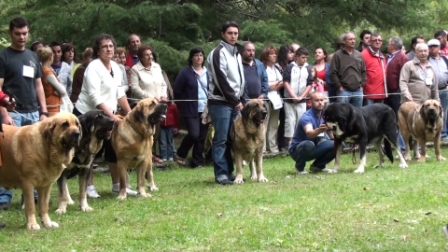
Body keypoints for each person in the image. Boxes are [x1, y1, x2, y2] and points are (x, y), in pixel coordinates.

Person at [74, 33, 136, 196]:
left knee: (113, 150)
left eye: (111, 46)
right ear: (97, 50)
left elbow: (119, 92)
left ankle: (118, 185)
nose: (109, 49)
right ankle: (89, 187)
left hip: (108, 115)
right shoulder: (93, 67)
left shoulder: (116, 67)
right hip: (88, 116)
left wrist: (129, 113)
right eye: (104, 46)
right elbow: (95, 97)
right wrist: (112, 117)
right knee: (90, 151)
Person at [0, 17, 49, 211]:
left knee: (36, 155)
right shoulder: (3, 57)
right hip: (13, 114)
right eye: (18, 33)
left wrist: (43, 111)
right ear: (10, 33)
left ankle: (32, 195)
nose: (22, 37)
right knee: (9, 156)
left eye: (25, 33)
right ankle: (4, 196)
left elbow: (39, 85)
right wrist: (4, 114)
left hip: (33, 113)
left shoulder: (32, 56)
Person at [207, 20, 245, 185]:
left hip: (234, 102)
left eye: (235, 33)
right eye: (230, 33)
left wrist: (241, 98)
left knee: (231, 139)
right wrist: (235, 100)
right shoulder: (218, 52)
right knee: (221, 139)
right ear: (223, 34)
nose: (233, 36)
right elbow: (221, 79)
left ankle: (229, 172)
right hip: (220, 102)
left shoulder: (236, 53)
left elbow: (239, 79)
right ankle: (221, 174)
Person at [174, 47, 210, 168]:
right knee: (194, 134)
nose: (199, 57)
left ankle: (197, 161)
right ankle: (181, 153)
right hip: (190, 109)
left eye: (201, 55)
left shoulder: (208, 72)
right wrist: (182, 105)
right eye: (196, 55)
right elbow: (177, 91)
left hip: (205, 109)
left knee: (201, 137)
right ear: (191, 58)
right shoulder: (185, 73)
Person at [289, 91, 335, 174]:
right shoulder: (306, 116)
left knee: (338, 144)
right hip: (297, 150)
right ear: (310, 102)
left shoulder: (325, 115)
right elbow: (309, 133)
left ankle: (318, 166)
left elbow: (331, 135)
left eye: (322, 100)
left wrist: (339, 137)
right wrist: (320, 130)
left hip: (315, 147)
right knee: (308, 144)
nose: (320, 103)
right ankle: (299, 168)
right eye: (317, 100)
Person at [282, 47, 313, 145]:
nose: (305, 60)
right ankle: (290, 143)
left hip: (302, 99)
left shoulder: (308, 68)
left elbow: (309, 84)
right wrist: (293, 96)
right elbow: (285, 82)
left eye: (306, 58)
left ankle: (300, 141)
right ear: (297, 57)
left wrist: (301, 97)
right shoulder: (289, 67)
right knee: (290, 120)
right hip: (289, 99)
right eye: (303, 57)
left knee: (301, 120)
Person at [330, 31, 366, 108]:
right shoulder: (337, 55)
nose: (353, 41)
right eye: (350, 39)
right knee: (342, 115)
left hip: (358, 91)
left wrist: (362, 86)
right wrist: (339, 87)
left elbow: (363, 71)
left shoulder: (359, 54)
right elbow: (333, 73)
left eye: (354, 39)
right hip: (344, 91)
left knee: (357, 115)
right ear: (344, 41)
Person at [260, 46, 283, 155]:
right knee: (264, 124)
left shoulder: (276, 68)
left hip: (276, 98)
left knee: (274, 124)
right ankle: (263, 149)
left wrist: (276, 85)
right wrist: (271, 86)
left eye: (275, 54)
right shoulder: (261, 68)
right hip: (266, 99)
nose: (275, 56)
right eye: (272, 54)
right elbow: (262, 84)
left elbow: (281, 82)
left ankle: (273, 148)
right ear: (266, 56)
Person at [38, 47, 68, 116]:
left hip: (46, 105)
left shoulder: (40, 70)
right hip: (53, 107)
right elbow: (63, 91)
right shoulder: (48, 72)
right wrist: (59, 91)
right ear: (50, 57)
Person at [275, 44, 294, 152]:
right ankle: (281, 143)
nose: (292, 55)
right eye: (290, 52)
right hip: (279, 95)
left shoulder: (292, 65)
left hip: (290, 95)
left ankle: (288, 142)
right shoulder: (278, 66)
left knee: (287, 120)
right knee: (282, 120)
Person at [428, 38, 448, 139]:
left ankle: (443, 134)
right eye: (430, 47)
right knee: (431, 112)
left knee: (443, 112)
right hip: (431, 91)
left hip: (444, 89)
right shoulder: (426, 60)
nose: (433, 48)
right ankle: (431, 133)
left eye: (435, 46)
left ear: (439, 47)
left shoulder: (445, 59)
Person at [385, 36, 409, 115]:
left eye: (388, 44)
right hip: (387, 91)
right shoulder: (388, 57)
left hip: (397, 92)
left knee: (397, 113)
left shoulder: (403, 57)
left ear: (393, 45)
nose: (387, 46)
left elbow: (406, 75)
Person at [361, 32, 387, 104]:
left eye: (379, 40)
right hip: (368, 94)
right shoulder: (363, 54)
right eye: (375, 40)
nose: (377, 42)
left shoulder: (382, 56)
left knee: (379, 114)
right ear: (369, 42)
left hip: (381, 93)